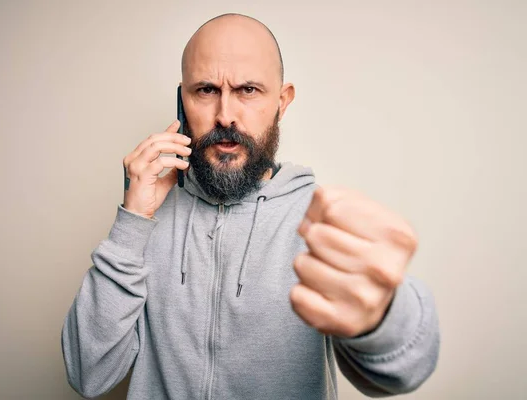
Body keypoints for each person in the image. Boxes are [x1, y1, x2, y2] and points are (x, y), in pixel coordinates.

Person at [61, 13, 440, 400]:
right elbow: (89, 374)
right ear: (182, 101)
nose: (225, 114)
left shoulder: (316, 220)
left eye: (248, 90)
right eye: (206, 90)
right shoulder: (148, 218)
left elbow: (405, 368)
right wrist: (133, 222)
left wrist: (381, 317)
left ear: (282, 101)